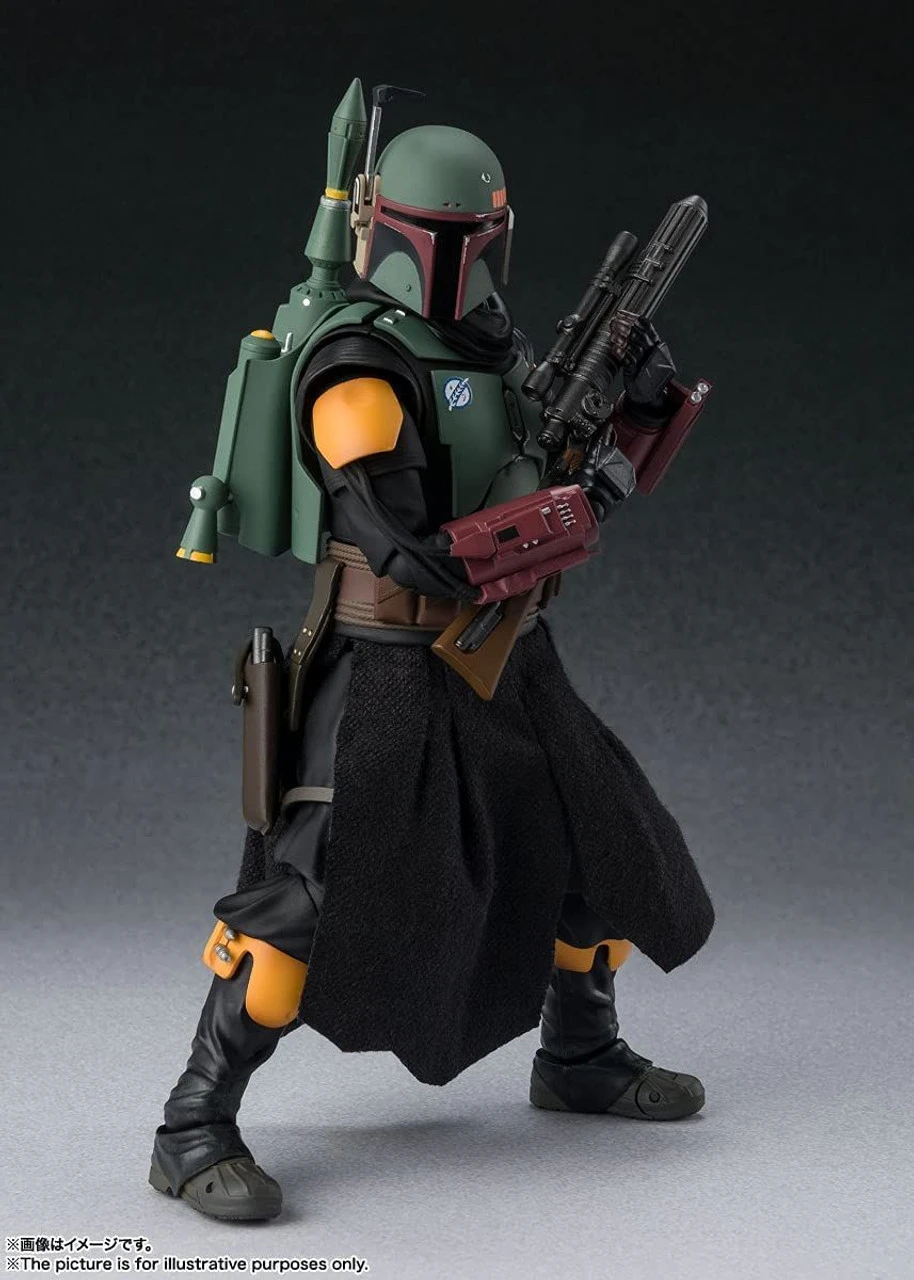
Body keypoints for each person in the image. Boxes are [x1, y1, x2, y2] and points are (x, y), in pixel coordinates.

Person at [151, 117, 714, 1222]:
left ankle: (580, 1050)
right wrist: (573, 509)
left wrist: (641, 406)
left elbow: (558, 468)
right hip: (386, 670)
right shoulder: (356, 367)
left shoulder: (492, 348)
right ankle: (193, 1120)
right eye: (452, 236)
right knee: (307, 896)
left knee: (602, 839)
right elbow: (411, 546)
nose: (465, 259)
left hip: (511, 653)